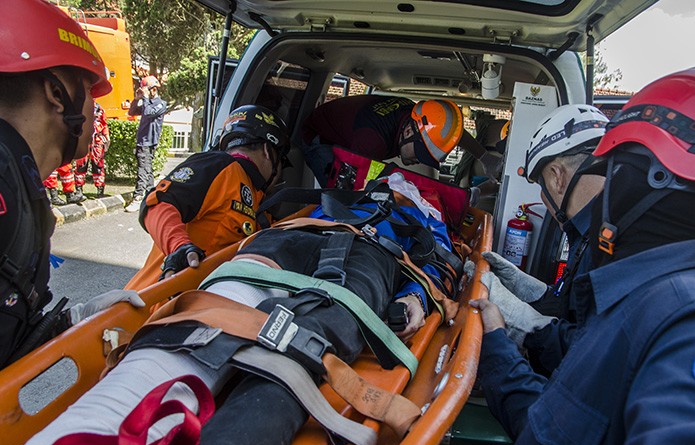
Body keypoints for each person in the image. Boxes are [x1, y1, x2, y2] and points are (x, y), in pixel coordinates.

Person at [0, 178, 457, 445]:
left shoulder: (428, 216)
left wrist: (414, 299)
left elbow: (439, 264)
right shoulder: (342, 193)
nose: (404, 184)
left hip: (371, 258)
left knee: (297, 353)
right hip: (292, 237)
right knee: (206, 318)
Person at [475, 66, 695, 445]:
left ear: (653, 179)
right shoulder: (645, 295)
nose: (604, 182)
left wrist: (502, 348)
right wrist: (508, 338)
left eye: (612, 165)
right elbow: (565, 431)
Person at [0, 0, 145, 380]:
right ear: (58, 94)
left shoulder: (16, 182)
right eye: (90, 93)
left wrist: (68, 325)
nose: (95, 110)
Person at [482, 104, 609, 376]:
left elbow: (595, 359)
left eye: (541, 186)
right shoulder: (594, 231)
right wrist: (526, 287)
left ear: (556, 176)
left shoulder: (609, 245)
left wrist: (527, 325)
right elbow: (575, 309)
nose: (543, 197)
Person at [124, 104, 290, 291]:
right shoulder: (220, 166)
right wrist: (180, 247)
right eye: (282, 163)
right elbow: (158, 204)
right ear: (268, 151)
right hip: (151, 305)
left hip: (196, 309)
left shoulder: (257, 200)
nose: (279, 177)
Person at [303, 95, 498, 186]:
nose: (418, 161)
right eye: (421, 154)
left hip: (355, 135)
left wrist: (485, 157)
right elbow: (353, 189)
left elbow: (452, 132)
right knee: (340, 198)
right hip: (320, 138)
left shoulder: (414, 116)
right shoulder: (372, 141)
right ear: (407, 133)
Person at [125, 75, 167, 212]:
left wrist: (145, 98)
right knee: (147, 169)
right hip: (142, 140)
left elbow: (149, 113)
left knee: (143, 169)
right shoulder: (146, 103)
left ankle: (137, 198)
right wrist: (136, 99)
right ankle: (151, 197)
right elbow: (131, 112)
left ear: (153, 90)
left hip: (149, 142)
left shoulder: (160, 104)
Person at [75, 102, 109, 198]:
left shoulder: (100, 109)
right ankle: (79, 189)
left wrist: (107, 137)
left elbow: (104, 124)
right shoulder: (79, 107)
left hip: (97, 141)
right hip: (83, 140)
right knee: (81, 165)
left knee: (98, 165)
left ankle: (100, 190)